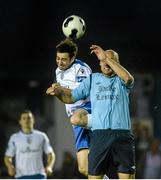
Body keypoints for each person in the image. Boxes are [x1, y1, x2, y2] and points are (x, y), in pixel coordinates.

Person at [46, 44, 136, 179]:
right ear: (99, 64)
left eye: (110, 61)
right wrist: (58, 93)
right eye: (103, 61)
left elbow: (128, 78)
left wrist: (106, 57)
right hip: (100, 136)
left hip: (121, 135)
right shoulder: (93, 79)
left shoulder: (121, 81)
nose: (106, 64)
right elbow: (71, 97)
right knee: (90, 174)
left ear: (117, 64)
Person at [46, 38, 92, 177]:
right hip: (75, 121)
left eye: (64, 59)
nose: (60, 62)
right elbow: (66, 99)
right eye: (57, 58)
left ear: (73, 58)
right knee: (84, 168)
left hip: (87, 112)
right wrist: (58, 92)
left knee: (97, 161)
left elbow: (83, 92)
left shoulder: (81, 68)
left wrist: (61, 90)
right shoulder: (58, 71)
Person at [4, 109, 55, 179]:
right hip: (21, 176)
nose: (26, 120)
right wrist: (10, 167)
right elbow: (8, 157)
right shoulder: (14, 138)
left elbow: (51, 154)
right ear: (20, 122)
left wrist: (49, 166)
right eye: (24, 118)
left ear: (33, 120)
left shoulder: (41, 136)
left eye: (29, 118)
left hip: (39, 175)